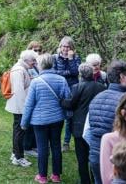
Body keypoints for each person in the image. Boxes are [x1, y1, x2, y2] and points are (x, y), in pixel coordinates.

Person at [21, 53, 71, 183]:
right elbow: (68, 99)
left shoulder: (36, 82)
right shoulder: (62, 80)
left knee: (42, 148)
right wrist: (68, 116)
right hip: (57, 119)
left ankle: (42, 176)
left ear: (41, 65)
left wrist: (24, 123)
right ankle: (56, 175)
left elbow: (29, 104)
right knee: (55, 146)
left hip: (39, 121)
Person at [88, 60, 126, 184]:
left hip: (95, 157)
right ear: (122, 77)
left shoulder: (96, 98)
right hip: (119, 158)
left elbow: (86, 132)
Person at [61, 63, 106, 184]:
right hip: (96, 124)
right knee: (94, 155)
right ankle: (95, 178)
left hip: (79, 126)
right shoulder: (102, 87)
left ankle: (84, 181)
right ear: (92, 74)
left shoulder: (77, 87)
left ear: (80, 74)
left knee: (81, 157)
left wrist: (61, 100)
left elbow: (70, 104)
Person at [5, 50, 38, 167]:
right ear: (26, 60)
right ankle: (18, 157)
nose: (34, 63)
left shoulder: (22, 68)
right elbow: (19, 92)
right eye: (33, 60)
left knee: (18, 131)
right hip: (20, 106)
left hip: (19, 105)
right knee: (20, 131)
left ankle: (15, 153)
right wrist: (25, 109)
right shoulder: (19, 70)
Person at [53, 36, 81, 152]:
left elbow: (76, 72)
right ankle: (55, 141)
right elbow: (54, 72)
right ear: (60, 46)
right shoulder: (54, 57)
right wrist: (67, 73)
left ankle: (66, 142)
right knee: (58, 116)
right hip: (59, 89)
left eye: (68, 46)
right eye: (64, 46)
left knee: (69, 117)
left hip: (72, 89)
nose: (65, 48)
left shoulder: (76, 57)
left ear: (72, 48)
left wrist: (70, 59)